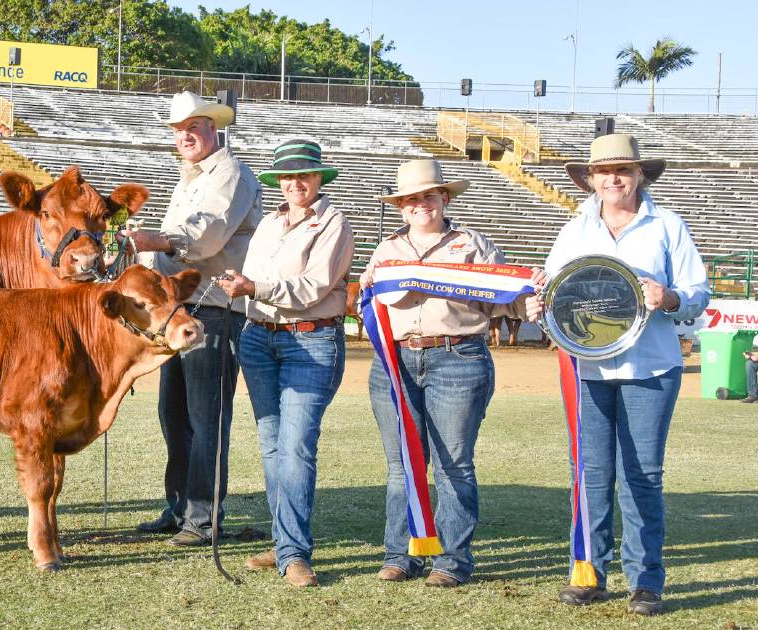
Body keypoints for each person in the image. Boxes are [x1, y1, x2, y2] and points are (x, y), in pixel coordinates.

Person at [527, 133, 709, 616]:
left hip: (651, 365)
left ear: (640, 176)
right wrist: (537, 304)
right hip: (586, 368)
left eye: (624, 170)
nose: (614, 178)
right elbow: (552, 292)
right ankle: (587, 572)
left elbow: (697, 292)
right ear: (590, 179)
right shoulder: (574, 227)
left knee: (642, 476)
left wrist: (668, 298)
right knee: (590, 474)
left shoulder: (667, 225)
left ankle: (646, 581)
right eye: (604, 171)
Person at [359, 159, 537, 588]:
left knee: (453, 464)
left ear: (445, 198)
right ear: (401, 206)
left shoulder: (473, 244)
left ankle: (451, 561)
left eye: (429, 196)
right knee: (402, 465)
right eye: (412, 199)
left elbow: (503, 299)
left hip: (457, 357)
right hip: (396, 361)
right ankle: (401, 554)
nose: (421, 204)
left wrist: (529, 296)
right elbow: (368, 298)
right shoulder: (387, 249)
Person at [126, 91, 263, 546]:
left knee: (206, 417)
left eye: (194, 126)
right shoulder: (191, 178)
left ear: (213, 127)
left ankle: (203, 519)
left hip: (215, 309)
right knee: (176, 413)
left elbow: (203, 240)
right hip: (182, 311)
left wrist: (154, 241)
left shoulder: (230, 173)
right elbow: (170, 247)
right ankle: (182, 508)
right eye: (179, 129)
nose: (185, 135)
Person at [216, 140, 353, 587]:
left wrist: (253, 286)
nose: (296, 183)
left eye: (305, 175)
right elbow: (258, 280)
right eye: (287, 177)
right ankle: (283, 542)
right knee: (273, 446)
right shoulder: (269, 224)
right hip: (259, 338)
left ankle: (294, 553)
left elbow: (312, 287)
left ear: (319, 178)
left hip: (310, 342)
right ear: (278, 182)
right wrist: (239, 284)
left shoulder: (334, 222)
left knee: (294, 447)